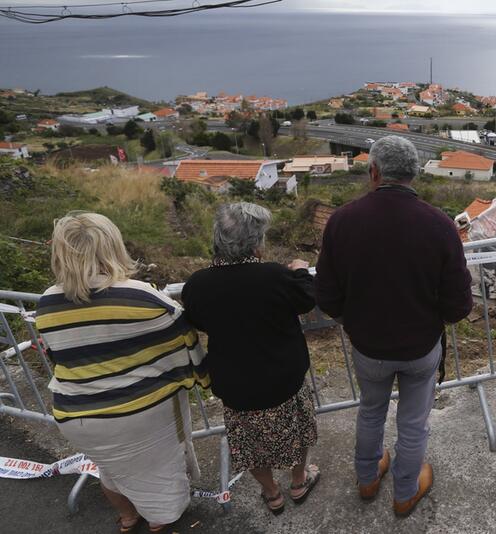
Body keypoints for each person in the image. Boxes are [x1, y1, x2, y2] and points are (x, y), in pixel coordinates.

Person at [315, 136, 473, 517]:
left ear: (374, 172)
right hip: (420, 349)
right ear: (413, 174)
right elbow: (458, 305)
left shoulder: (342, 221)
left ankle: (367, 479)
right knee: (413, 421)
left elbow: (328, 296)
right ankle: (404, 494)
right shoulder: (439, 225)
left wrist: (351, 319)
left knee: (370, 411)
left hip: (369, 347)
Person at [34, 211, 208, 533]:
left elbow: (60, 353)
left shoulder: (46, 302)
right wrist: (200, 376)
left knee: (112, 471)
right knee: (160, 472)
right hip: (137, 414)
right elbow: (184, 338)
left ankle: (128, 517)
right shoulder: (140, 294)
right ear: (112, 245)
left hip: (77, 416)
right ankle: (161, 521)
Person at [181, 202, 319, 516]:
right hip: (283, 378)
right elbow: (307, 298)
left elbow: (199, 321)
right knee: (296, 433)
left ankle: (272, 493)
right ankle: (298, 482)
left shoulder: (197, 285)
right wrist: (299, 269)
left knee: (249, 443)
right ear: (256, 243)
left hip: (236, 385)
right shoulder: (274, 276)